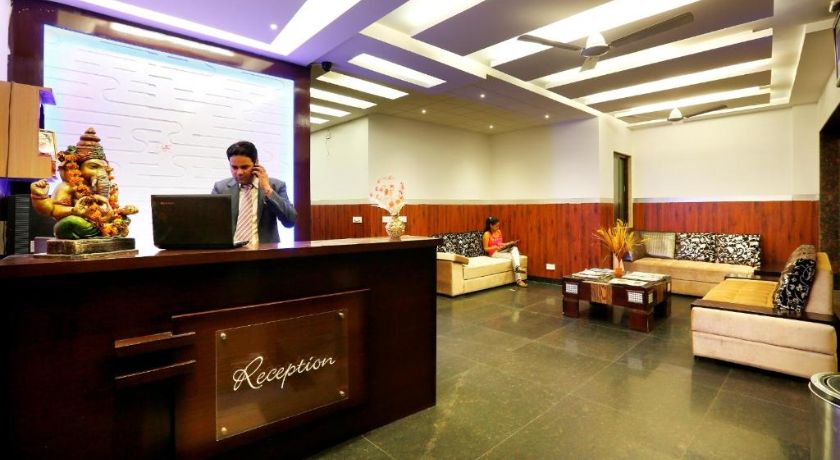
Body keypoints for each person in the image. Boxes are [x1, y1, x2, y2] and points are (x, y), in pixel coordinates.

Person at [212, 141, 296, 245]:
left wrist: (267, 190)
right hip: (231, 251)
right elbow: (210, 224)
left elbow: (290, 221)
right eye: (234, 167)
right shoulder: (220, 188)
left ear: (256, 163)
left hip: (263, 251)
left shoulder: (276, 186)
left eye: (244, 167)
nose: (239, 172)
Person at [482, 216, 527, 287]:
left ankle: (517, 268)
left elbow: (500, 243)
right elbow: (485, 248)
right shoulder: (486, 234)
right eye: (496, 226)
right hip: (494, 253)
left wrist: (508, 243)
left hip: (501, 250)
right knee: (514, 257)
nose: (498, 227)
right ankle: (519, 280)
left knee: (514, 248)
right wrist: (495, 247)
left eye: (498, 226)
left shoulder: (499, 231)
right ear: (491, 225)